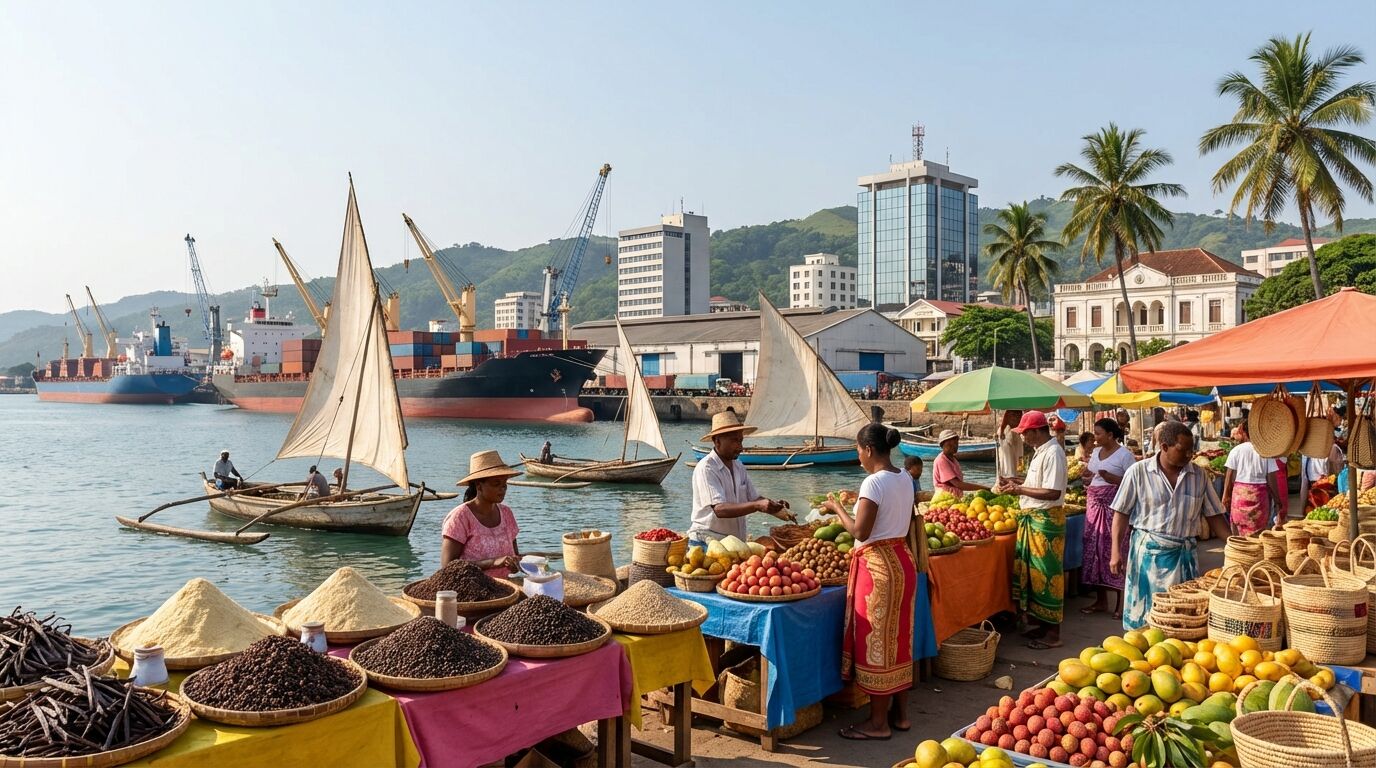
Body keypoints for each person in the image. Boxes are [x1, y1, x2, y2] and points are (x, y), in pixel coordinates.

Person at [823, 424, 917, 741]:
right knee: (899, 640)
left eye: (857, 450)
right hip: (903, 562)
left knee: (876, 642)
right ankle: (901, 715)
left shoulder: (873, 483)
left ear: (867, 449)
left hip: (877, 569)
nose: (858, 456)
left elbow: (860, 532)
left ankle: (878, 724)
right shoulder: (905, 477)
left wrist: (836, 508)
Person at [1111, 421, 1231, 630]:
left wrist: (1233, 544)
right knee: (1146, 619)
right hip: (1147, 558)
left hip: (1184, 557)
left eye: (1191, 451)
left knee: (1181, 618)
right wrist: (1115, 552)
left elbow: (1214, 515)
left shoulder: (1199, 475)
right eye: (1182, 450)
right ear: (1164, 447)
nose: (1188, 456)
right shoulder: (1138, 472)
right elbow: (1121, 513)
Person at [996, 411, 1067, 649]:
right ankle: (1043, 625)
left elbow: (1053, 492)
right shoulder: (1041, 453)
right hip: (1034, 519)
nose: (1023, 438)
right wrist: (1017, 482)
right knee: (1035, 576)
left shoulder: (1054, 453)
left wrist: (1019, 491)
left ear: (1036, 432)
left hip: (1045, 521)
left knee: (1047, 575)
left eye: (1025, 434)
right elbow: (1038, 484)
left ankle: (1054, 633)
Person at [689, 412, 791, 547]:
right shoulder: (706, 468)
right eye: (734, 441)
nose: (740, 447)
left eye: (741, 441)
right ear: (717, 441)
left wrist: (771, 505)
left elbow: (754, 498)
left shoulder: (738, 466)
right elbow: (720, 509)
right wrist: (757, 506)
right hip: (707, 541)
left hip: (734, 543)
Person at [1080, 418, 1135, 620]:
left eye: (1099, 434)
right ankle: (1101, 600)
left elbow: (1133, 482)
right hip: (1094, 506)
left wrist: (1113, 480)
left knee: (1115, 549)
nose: (1095, 437)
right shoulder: (1095, 452)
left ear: (1111, 435)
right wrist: (1087, 478)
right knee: (1093, 550)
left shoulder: (1125, 455)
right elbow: (1092, 474)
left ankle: (1121, 603)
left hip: (1114, 508)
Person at [443, 451, 523, 578]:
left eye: (504, 484)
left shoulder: (507, 513)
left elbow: (514, 556)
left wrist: (514, 564)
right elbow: (447, 567)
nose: (502, 489)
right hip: (472, 588)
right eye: (496, 484)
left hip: (506, 588)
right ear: (479, 486)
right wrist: (492, 563)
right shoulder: (460, 517)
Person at [1222, 421, 1282, 536]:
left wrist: (1225, 495)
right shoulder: (1266, 452)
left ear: (1244, 433)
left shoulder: (1236, 450)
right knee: (1257, 536)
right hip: (1259, 497)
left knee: (1239, 536)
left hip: (1239, 496)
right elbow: (1271, 480)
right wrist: (1278, 500)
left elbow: (1229, 476)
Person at [932, 430, 989, 497]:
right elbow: (957, 484)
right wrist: (985, 488)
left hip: (955, 496)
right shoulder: (941, 460)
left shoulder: (953, 459)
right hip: (944, 497)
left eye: (956, 443)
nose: (954, 446)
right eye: (950, 445)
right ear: (942, 445)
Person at [996, 410, 1025, 477]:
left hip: (1016, 433)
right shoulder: (1009, 411)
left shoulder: (1020, 411)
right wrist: (1002, 432)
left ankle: (1018, 473)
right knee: (1007, 456)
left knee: (1019, 455)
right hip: (1007, 433)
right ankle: (1009, 475)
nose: (1015, 417)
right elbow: (1005, 421)